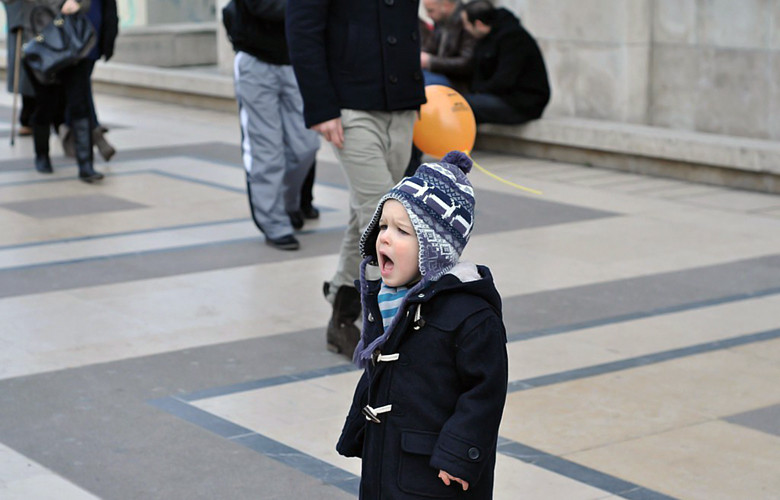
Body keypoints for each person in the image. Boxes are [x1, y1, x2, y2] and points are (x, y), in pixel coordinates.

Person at [336, 151, 508, 498]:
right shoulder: (392, 300)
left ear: (435, 249)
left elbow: (486, 391)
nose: (384, 237)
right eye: (383, 225)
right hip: (389, 461)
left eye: (402, 231)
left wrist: (461, 454)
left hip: (436, 474)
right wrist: (359, 425)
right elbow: (378, 375)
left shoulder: (471, 316)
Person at [286, 0, 426, 353]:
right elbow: (303, 31)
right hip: (350, 106)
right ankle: (392, 325)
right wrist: (320, 106)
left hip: (401, 102)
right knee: (386, 216)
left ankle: (343, 312)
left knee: (367, 216)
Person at [222, 0, 319, 251]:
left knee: (306, 146)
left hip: (295, 62)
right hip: (256, 62)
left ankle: (287, 205)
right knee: (266, 149)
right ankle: (274, 222)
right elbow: (263, 6)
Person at [6, 0, 104, 182]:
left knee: (79, 104)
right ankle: (42, 155)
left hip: (72, 40)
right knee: (46, 104)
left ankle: (86, 164)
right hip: (40, 44)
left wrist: (76, 3)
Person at [461, 0, 550, 125]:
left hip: (522, 104)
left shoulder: (513, 39)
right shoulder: (485, 39)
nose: (465, 29)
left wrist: (479, 91)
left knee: (460, 107)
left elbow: (504, 80)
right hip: (501, 97)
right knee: (456, 103)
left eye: (466, 24)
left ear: (479, 24)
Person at [59, 0, 119, 162]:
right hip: (69, 33)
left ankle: (69, 129)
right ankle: (95, 136)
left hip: (93, 34)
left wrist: (109, 37)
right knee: (80, 87)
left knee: (80, 87)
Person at [420, 0, 476, 92]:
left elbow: (467, 63)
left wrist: (430, 61)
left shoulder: (466, 21)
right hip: (440, 73)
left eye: (431, 10)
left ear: (446, 5)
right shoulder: (441, 20)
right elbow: (429, 47)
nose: (428, 15)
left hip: (458, 81)